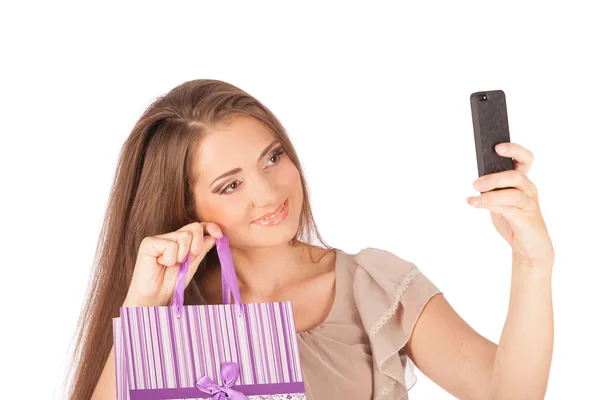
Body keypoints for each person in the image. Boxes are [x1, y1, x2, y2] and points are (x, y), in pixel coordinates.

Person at [65, 79, 555, 400]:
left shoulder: (373, 286)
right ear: (186, 207)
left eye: (272, 158)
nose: (268, 192)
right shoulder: (171, 318)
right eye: (230, 185)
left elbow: (510, 395)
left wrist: (533, 263)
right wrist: (142, 307)